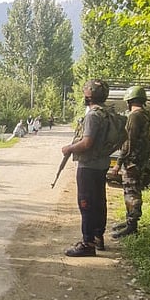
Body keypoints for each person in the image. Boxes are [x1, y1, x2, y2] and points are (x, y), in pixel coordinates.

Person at [60, 79, 112, 257]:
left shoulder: (92, 115)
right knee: (99, 201)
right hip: (102, 164)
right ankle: (98, 237)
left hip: (89, 166)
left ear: (89, 95)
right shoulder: (107, 113)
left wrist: (69, 148)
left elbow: (87, 142)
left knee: (86, 203)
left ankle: (87, 243)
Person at [111, 86, 150, 238]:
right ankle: (129, 221)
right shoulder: (146, 115)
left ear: (129, 101)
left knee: (132, 193)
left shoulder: (134, 116)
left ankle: (132, 226)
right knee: (132, 190)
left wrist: (118, 163)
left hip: (132, 162)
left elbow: (128, 142)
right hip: (140, 160)